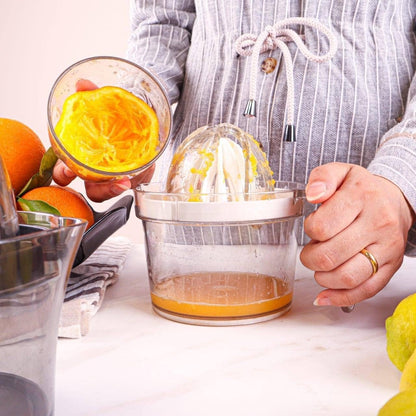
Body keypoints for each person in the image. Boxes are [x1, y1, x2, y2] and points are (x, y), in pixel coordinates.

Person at [54, 0, 416, 309]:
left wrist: (400, 181)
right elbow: (164, 21)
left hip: (368, 251)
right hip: (191, 250)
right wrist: (139, 116)